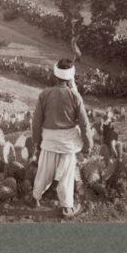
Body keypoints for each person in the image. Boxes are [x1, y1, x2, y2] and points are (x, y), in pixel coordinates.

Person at [31, 58, 93, 218]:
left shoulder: (44, 94)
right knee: (66, 175)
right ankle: (66, 207)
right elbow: (85, 124)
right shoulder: (75, 96)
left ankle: (35, 198)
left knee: (44, 171)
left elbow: (36, 121)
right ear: (71, 77)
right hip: (68, 143)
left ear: (55, 75)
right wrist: (88, 145)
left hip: (49, 140)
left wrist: (36, 142)